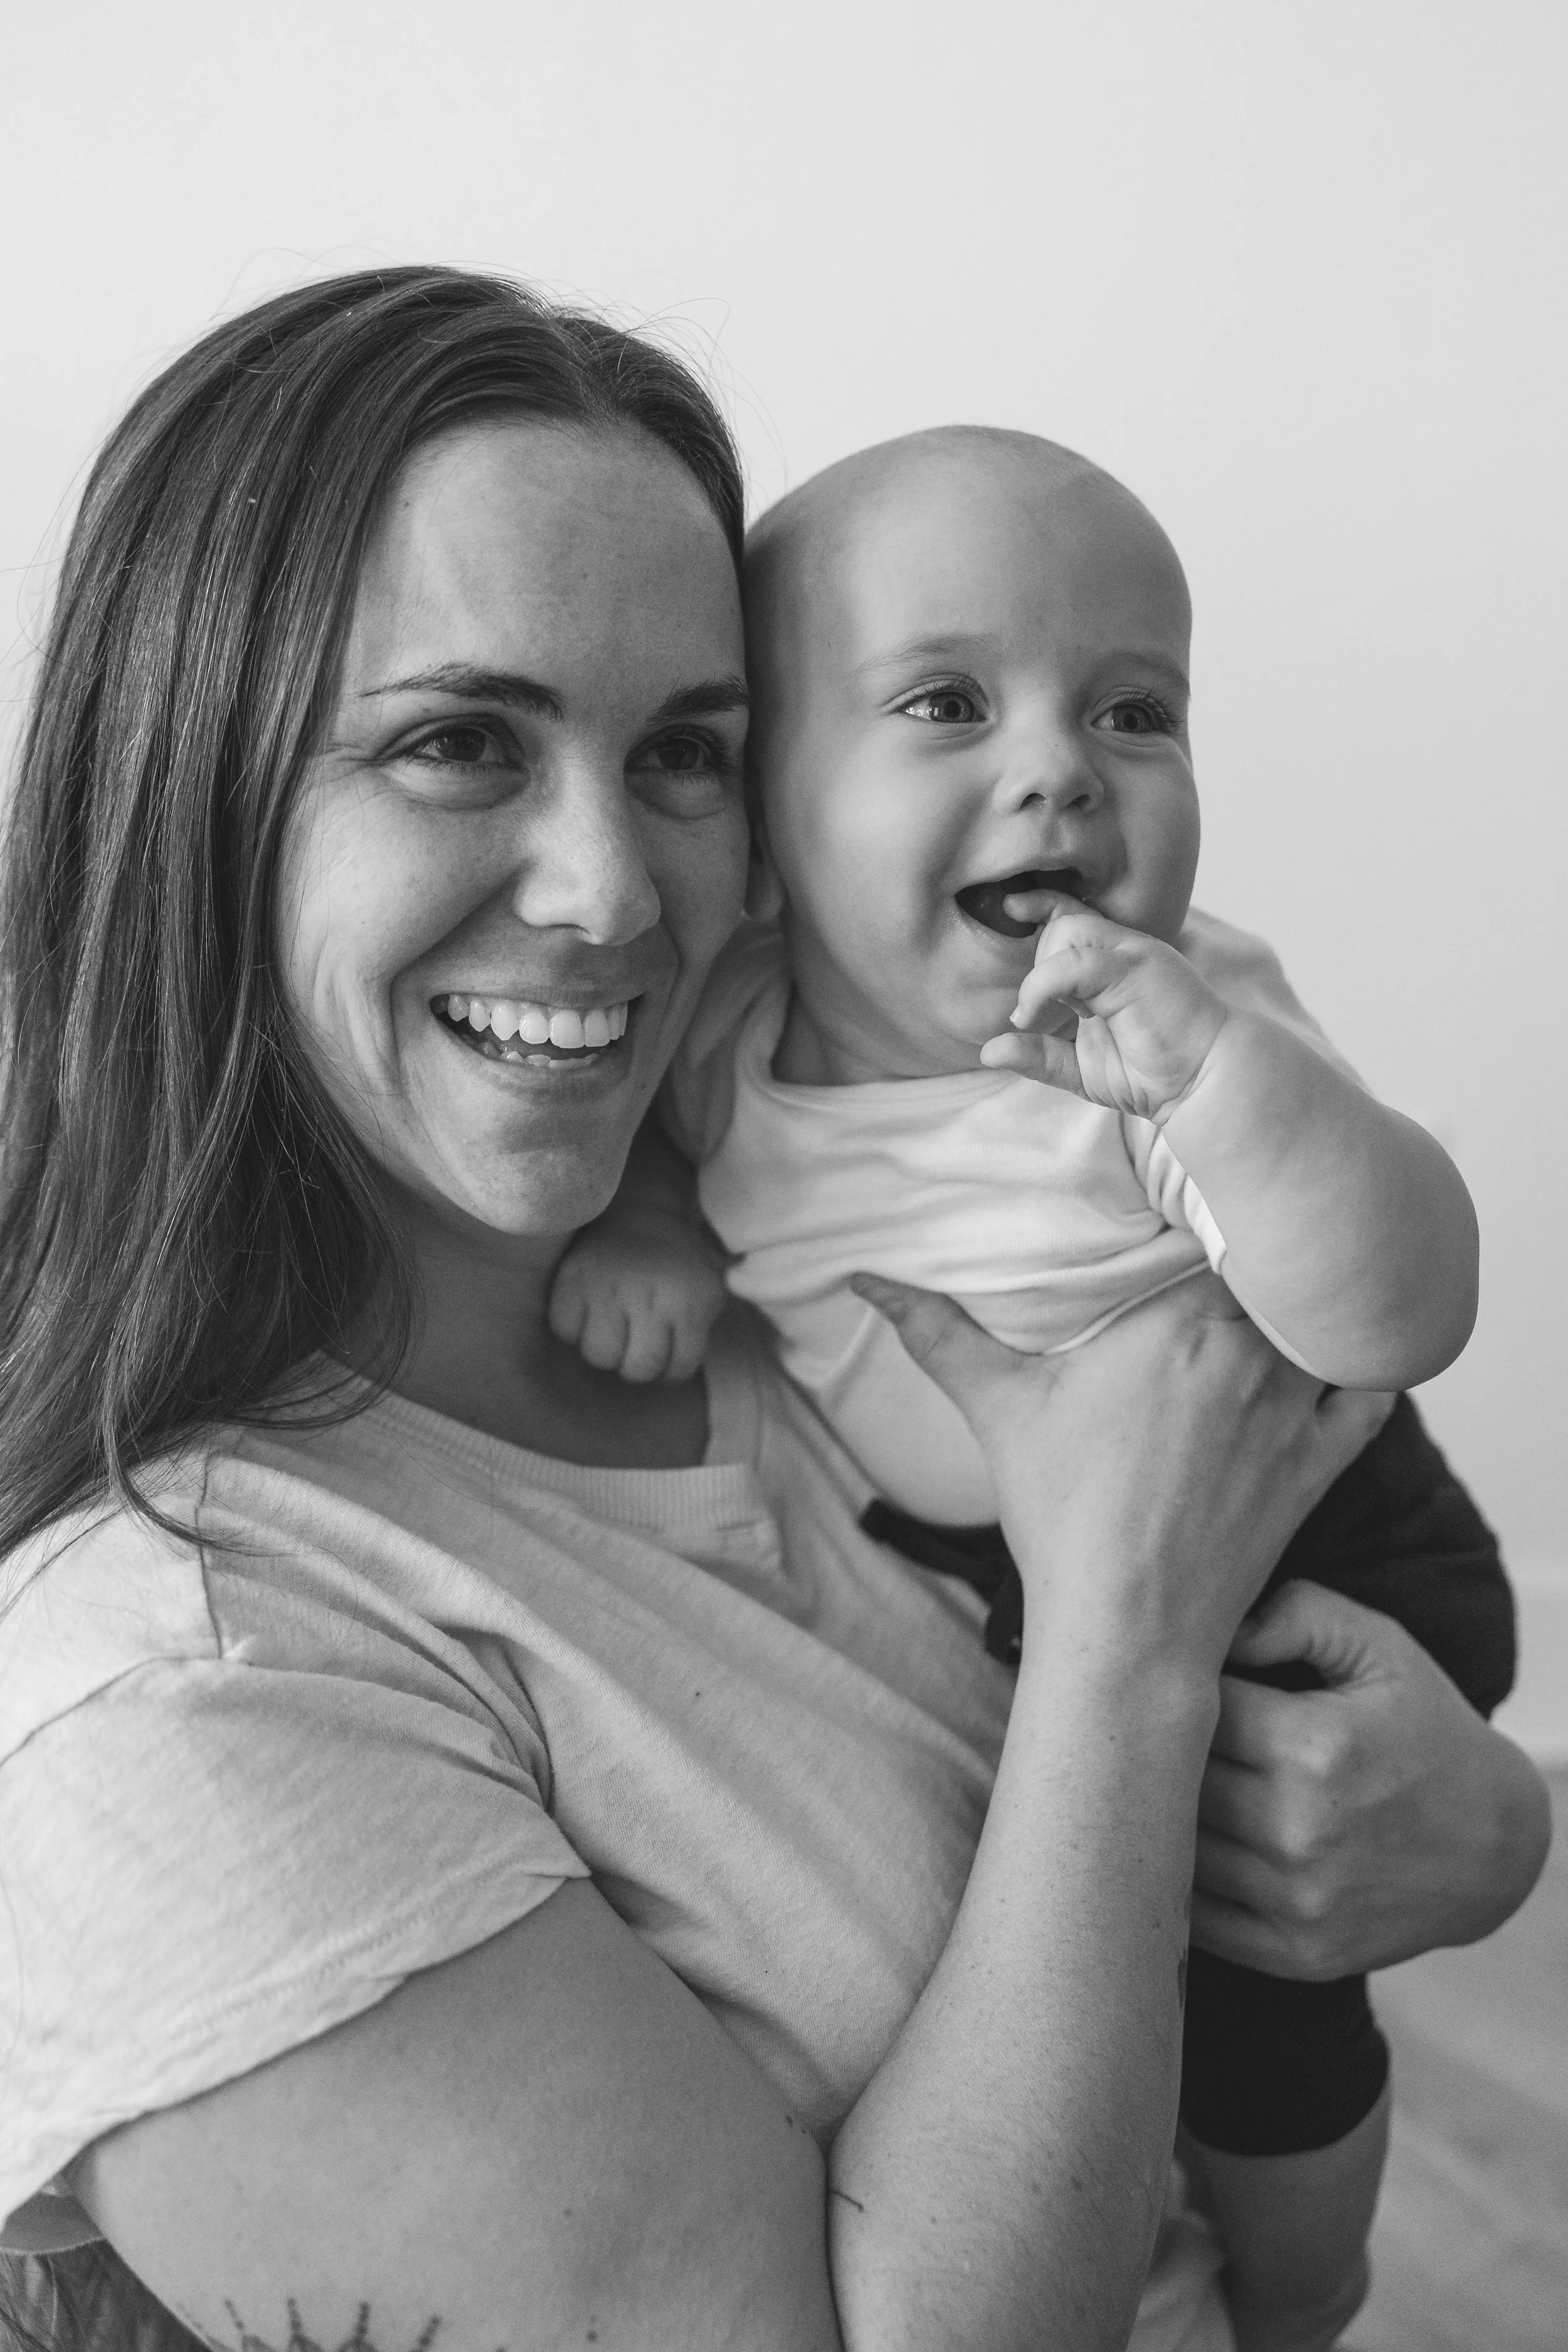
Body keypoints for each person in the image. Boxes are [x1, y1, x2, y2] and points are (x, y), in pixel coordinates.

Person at [0, 272, 1549, 2352]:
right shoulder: (171, 1712)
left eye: (687, 753)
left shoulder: (771, 1280)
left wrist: (1467, 1827)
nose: (612, 890)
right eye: (459, 741)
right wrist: (1133, 1640)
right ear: (185, 796)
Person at [547, 422, 1520, 2335]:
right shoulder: (728, 1016)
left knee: (1249, 1983)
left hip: (1305, 1552)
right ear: (766, 802)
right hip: (999, 1579)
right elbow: (659, 1152)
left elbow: (1398, 1308)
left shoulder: (1167, 1025)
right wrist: (655, 1232)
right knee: (1083, 1947)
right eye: (942, 702)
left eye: (1134, 711)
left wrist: (1227, 1092)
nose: (1059, 767)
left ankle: (1308, 2284)